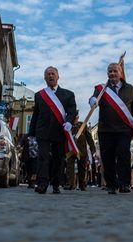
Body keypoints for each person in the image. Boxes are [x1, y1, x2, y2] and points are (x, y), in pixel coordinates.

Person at [89, 63, 133, 194]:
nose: (112, 74)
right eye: (110, 71)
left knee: (123, 155)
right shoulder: (102, 89)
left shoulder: (130, 89)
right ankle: (111, 185)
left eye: (115, 71)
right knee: (108, 158)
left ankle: (124, 183)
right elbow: (94, 97)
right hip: (105, 129)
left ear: (120, 73)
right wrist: (92, 100)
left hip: (124, 130)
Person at [28, 66, 77, 194]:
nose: (51, 76)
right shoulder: (39, 95)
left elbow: (72, 111)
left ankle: (56, 183)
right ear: (45, 78)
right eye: (48, 74)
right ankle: (42, 184)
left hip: (59, 131)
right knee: (43, 158)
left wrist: (69, 122)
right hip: (43, 131)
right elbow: (36, 114)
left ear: (58, 76)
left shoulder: (68, 94)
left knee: (58, 159)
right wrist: (31, 133)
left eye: (53, 74)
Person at [65, 112, 96, 191]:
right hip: (71, 150)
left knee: (82, 168)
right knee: (70, 167)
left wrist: (93, 150)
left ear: (78, 117)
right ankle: (70, 184)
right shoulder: (67, 126)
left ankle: (82, 184)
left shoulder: (82, 125)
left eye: (76, 117)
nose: (75, 119)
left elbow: (89, 138)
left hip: (81, 151)